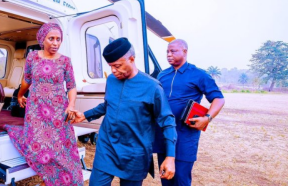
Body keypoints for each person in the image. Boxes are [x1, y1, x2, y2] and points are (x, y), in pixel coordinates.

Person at [69, 37, 177, 186]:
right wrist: (85, 115)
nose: (113, 71)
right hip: (107, 147)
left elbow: (168, 122)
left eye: (117, 66)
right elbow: (108, 105)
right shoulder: (112, 80)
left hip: (135, 153)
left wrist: (170, 157)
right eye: (110, 66)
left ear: (132, 59)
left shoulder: (152, 87)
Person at [3, 23, 83, 186]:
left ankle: (62, 179)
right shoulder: (32, 57)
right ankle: (49, 176)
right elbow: (27, 80)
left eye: (58, 39)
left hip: (59, 108)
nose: (55, 43)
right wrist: (19, 95)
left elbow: (71, 86)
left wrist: (71, 105)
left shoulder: (65, 61)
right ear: (42, 39)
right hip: (36, 108)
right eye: (51, 39)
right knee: (38, 146)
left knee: (59, 148)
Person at [153, 39, 225, 186]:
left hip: (185, 136)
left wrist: (207, 118)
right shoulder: (162, 75)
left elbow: (219, 99)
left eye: (173, 51)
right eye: (167, 51)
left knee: (180, 179)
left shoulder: (198, 74)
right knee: (166, 177)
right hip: (165, 136)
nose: (169, 54)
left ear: (185, 52)